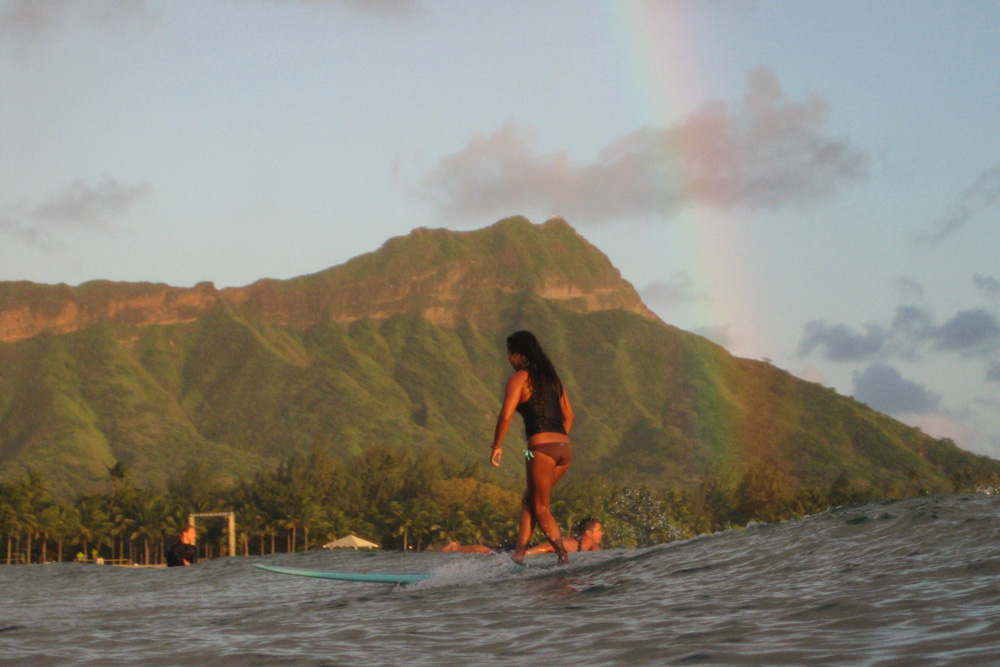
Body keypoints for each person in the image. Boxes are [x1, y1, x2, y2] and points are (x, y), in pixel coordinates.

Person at [491, 330, 574, 565]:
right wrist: (556, 440)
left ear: (518, 354)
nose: (509, 359)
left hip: (538, 450)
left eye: (510, 354)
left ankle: (562, 556)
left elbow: (506, 416)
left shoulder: (519, 378)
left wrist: (496, 445)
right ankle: (518, 555)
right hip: (564, 450)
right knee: (530, 499)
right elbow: (569, 415)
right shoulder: (552, 379)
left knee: (541, 507)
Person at [525, 518, 603, 555]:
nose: (602, 533)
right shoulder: (571, 545)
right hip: (531, 547)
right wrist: (526, 554)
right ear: (588, 533)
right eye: (599, 531)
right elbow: (547, 547)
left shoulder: (594, 548)